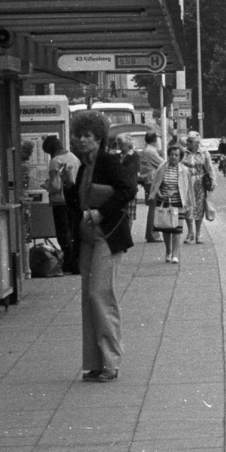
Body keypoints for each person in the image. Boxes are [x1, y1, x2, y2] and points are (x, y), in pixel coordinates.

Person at [68, 110, 136, 382]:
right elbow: (79, 202)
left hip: (107, 235)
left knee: (99, 294)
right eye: (79, 136)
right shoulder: (85, 165)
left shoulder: (107, 161)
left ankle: (111, 360)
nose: (82, 140)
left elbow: (128, 189)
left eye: (88, 136)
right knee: (88, 298)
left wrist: (101, 212)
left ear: (99, 139)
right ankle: (94, 362)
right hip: (89, 237)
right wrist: (67, 186)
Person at [43, 134, 81, 275]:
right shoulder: (73, 157)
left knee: (62, 233)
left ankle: (69, 262)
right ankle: (76, 262)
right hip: (73, 199)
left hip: (60, 201)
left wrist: (46, 185)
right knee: (72, 231)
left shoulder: (55, 161)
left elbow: (56, 185)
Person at [151, 142, 192, 263]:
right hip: (164, 202)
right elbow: (155, 184)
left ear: (180, 157)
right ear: (168, 155)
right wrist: (159, 194)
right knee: (166, 229)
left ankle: (175, 254)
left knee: (177, 229)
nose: (174, 157)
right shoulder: (161, 167)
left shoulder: (184, 170)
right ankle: (168, 251)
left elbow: (187, 188)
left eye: (176, 155)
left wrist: (188, 203)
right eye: (172, 154)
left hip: (178, 203)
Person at [182, 132, 215, 243]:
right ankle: (190, 232)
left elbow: (209, 168)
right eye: (187, 141)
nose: (188, 143)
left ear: (197, 143)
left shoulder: (204, 153)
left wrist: (213, 181)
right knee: (187, 207)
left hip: (200, 183)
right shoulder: (183, 152)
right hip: (186, 182)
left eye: (190, 141)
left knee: (199, 207)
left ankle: (198, 233)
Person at [138, 130, 164, 244]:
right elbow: (162, 163)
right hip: (153, 181)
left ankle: (152, 233)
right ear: (154, 140)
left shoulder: (145, 150)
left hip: (148, 181)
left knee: (153, 207)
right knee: (154, 208)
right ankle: (152, 234)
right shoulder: (151, 151)